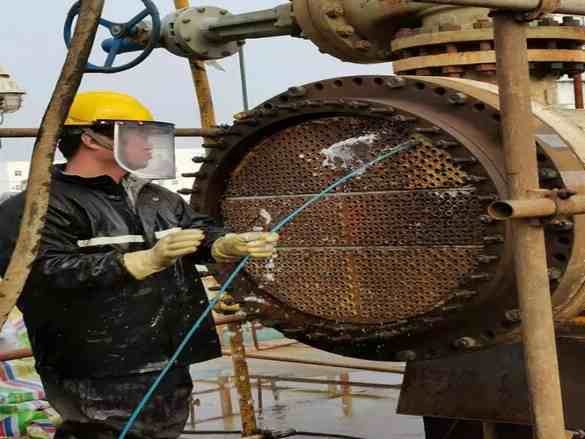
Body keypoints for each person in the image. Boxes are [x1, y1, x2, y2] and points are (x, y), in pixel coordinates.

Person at [0, 91, 278, 439]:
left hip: (167, 355)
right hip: (94, 366)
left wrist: (223, 243)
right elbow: (43, 273)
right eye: (136, 134)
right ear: (91, 138)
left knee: (162, 432)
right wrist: (140, 261)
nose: (148, 144)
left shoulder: (155, 197)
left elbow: (195, 231)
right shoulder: (38, 206)